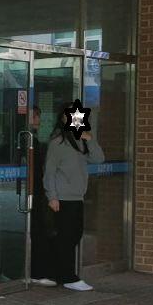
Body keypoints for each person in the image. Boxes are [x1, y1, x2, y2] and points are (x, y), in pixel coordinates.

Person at [43, 103, 105, 291]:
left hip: (77, 197)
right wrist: (52, 196)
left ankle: (57, 273)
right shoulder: (57, 143)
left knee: (73, 235)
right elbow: (49, 172)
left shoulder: (80, 140)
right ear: (64, 118)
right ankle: (68, 277)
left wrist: (89, 139)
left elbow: (99, 158)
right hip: (62, 198)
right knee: (67, 237)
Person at [28, 106, 58, 287]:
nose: (38, 118)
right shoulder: (28, 139)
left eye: (38, 115)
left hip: (37, 192)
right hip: (36, 192)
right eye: (35, 115)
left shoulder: (35, 140)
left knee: (40, 230)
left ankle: (37, 271)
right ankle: (36, 272)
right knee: (38, 230)